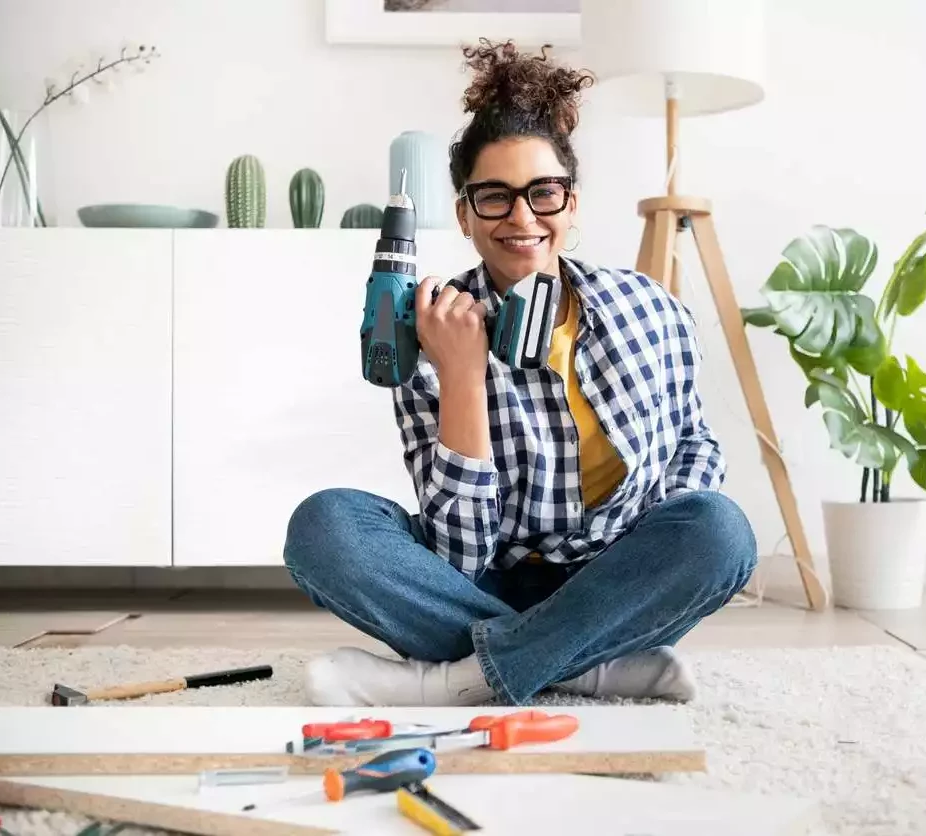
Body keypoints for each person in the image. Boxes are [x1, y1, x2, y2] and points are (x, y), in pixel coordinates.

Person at [282, 39, 757, 708]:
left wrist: (650, 553)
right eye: (494, 198)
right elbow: (459, 555)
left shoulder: (654, 312)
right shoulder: (429, 330)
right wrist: (462, 376)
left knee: (720, 530)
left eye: (544, 193)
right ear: (464, 216)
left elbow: (692, 447)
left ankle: (458, 680)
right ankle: (587, 665)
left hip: (614, 578)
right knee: (322, 528)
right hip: (481, 582)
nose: (523, 218)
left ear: (573, 202)